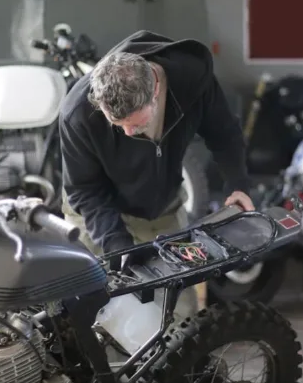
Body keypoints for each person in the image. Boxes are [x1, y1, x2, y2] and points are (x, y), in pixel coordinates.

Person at [59, 30, 254, 278]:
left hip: (162, 210)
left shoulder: (193, 80)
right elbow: (84, 189)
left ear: (156, 90)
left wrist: (238, 183)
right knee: (98, 305)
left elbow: (225, 133)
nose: (128, 133)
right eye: (116, 125)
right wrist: (116, 243)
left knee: (178, 308)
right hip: (95, 215)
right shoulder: (77, 113)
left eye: (137, 125)